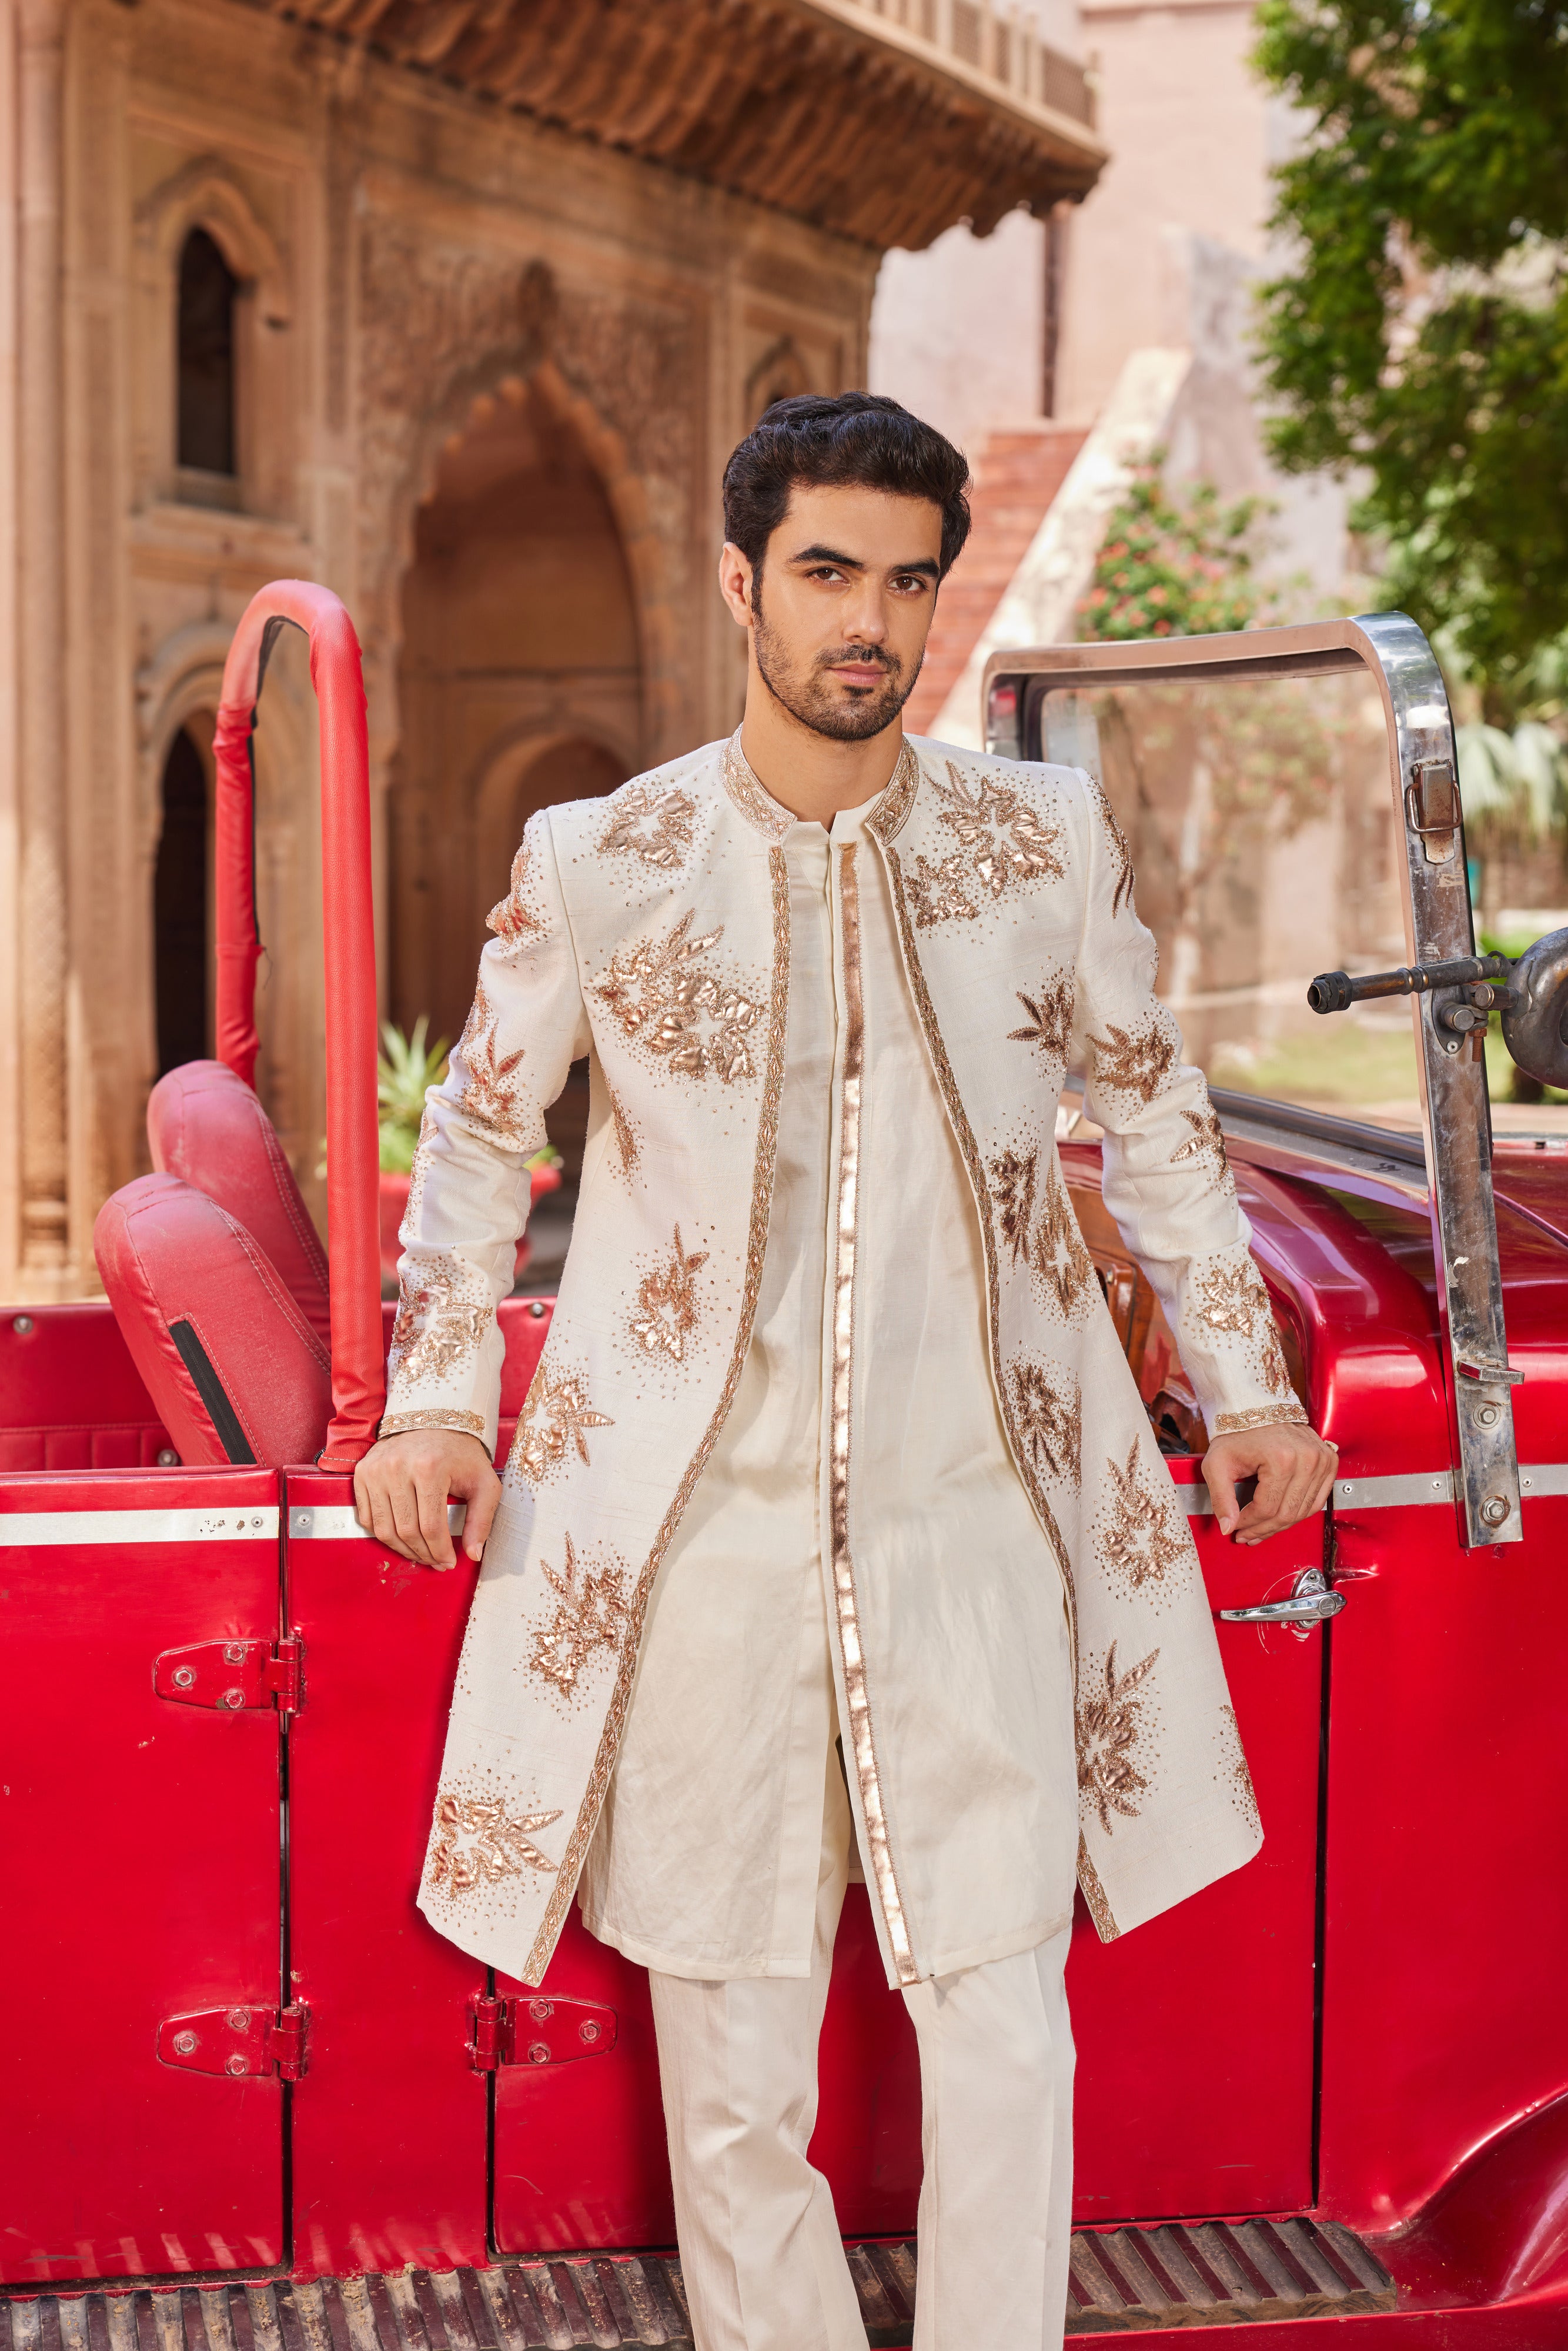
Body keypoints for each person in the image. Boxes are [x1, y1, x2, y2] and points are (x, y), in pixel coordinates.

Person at [353, 391, 1337, 2350]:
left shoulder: (1035, 842)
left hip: (966, 1508)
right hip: (698, 1535)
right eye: (824, 574)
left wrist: (1245, 1389)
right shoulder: (607, 858)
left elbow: (1149, 1119)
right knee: (732, 2069)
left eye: (903, 580)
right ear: (743, 586)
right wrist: (437, 1399)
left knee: (998, 2014)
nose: (865, 622)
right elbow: (477, 1137)